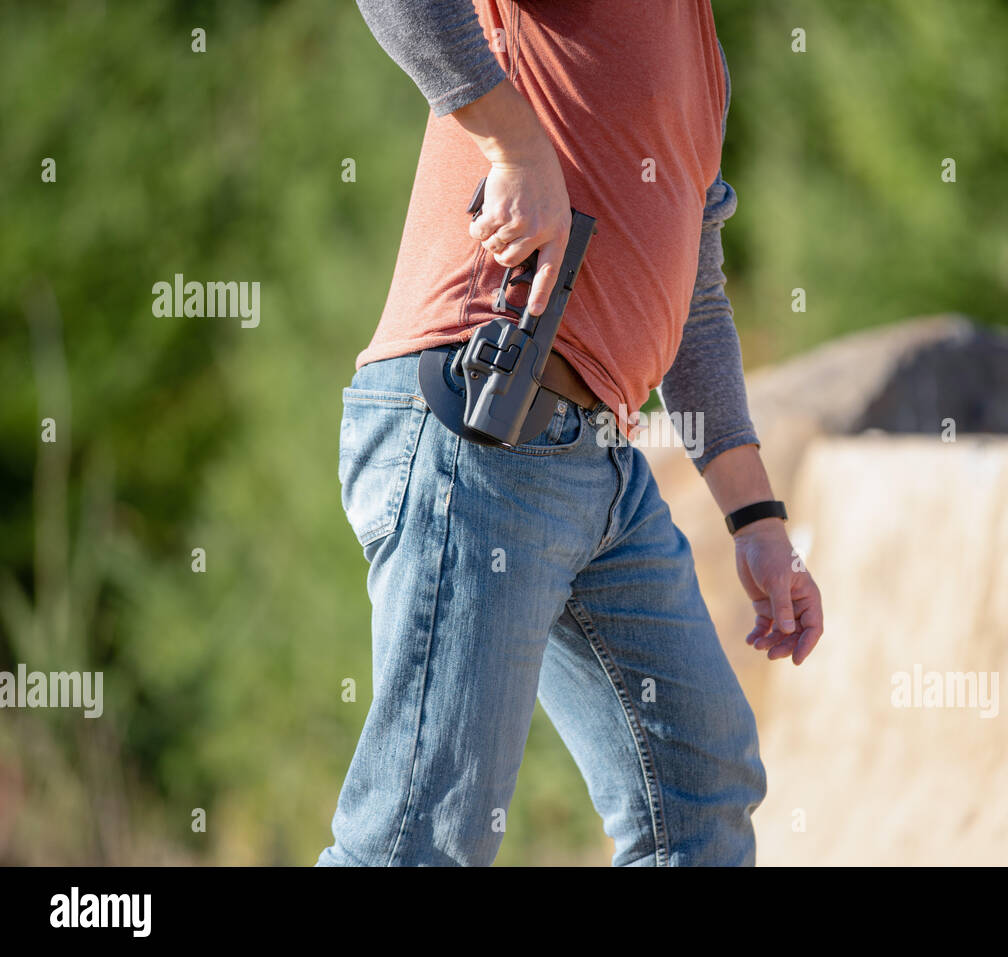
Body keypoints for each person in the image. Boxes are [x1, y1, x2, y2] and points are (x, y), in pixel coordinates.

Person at [317, 0, 824, 867]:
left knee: (701, 788)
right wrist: (514, 143)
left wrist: (759, 521)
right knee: (424, 838)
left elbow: (692, 305)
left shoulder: (700, 54)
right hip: (479, 427)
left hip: (601, 469)